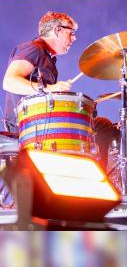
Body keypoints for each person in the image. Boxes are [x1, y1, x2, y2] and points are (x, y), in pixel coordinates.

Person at [2, 11, 116, 169]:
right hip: (29, 128)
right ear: (57, 30)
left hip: (43, 124)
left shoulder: (48, 60)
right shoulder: (33, 49)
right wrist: (51, 88)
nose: (74, 38)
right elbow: (9, 81)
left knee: (102, 125)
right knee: (103, 127)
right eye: (71, 33)